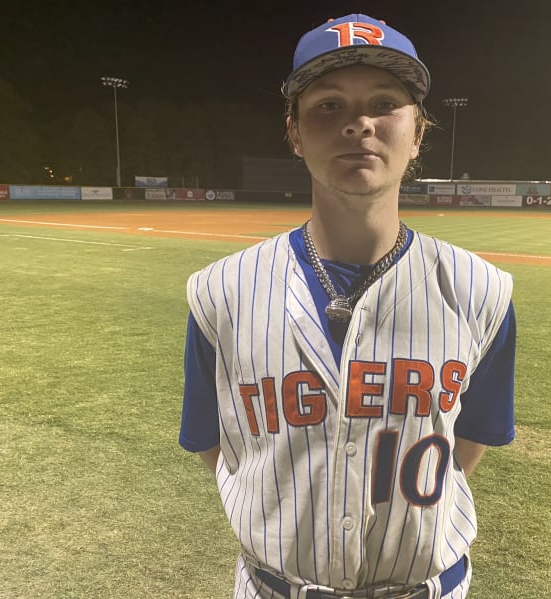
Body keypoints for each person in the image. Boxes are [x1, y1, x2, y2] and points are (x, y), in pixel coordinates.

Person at [180, 13, 516, 599]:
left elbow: (473, 440)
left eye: (384, 103)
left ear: (417, 133)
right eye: (328, 106)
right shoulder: (220, 291)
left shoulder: (481, 289)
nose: (359, 124)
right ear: (294, 132)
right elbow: (216, 445)